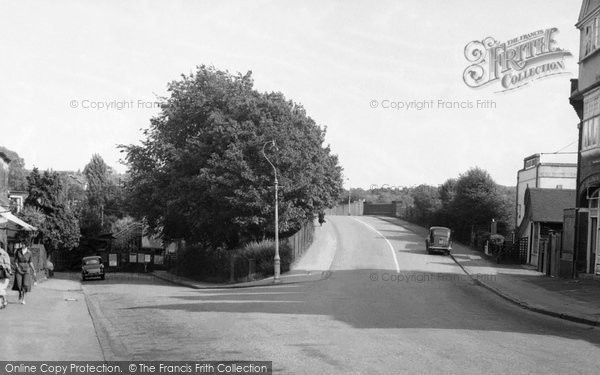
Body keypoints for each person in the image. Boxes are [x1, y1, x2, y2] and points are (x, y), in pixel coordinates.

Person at [0, 243, 11, 309]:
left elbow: (8, 265)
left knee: (0, 289)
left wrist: (1, 265)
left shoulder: (4, 254)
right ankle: (4, 300)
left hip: (3, 274)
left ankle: (0, 304)